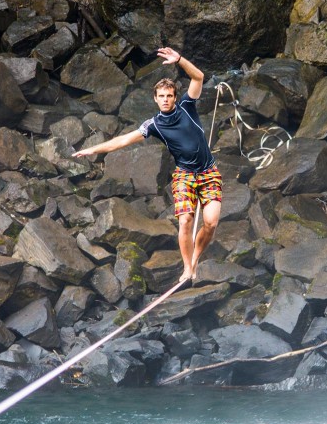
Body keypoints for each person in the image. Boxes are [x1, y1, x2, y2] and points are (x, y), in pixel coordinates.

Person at [73, 47, 222, 283]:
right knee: (185, 220)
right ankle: (187, 267)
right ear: (155, 99)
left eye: (169, 95)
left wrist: (180, 59)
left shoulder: (187, 106)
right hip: (184, 175)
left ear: (174, 97)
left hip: (208, 172)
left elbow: (198, 77)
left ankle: (196, 259)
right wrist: (93, 148)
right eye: (161, 96)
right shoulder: (153, 125)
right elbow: (123, 140)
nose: (165, 100)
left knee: (211, 223)